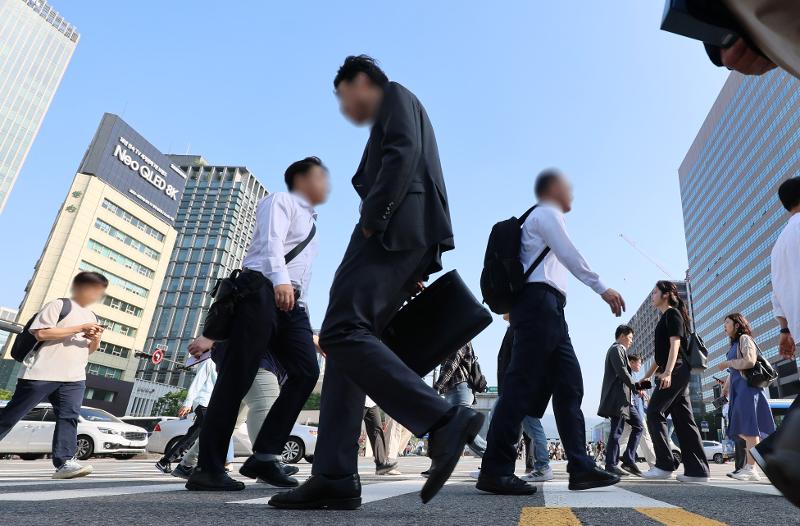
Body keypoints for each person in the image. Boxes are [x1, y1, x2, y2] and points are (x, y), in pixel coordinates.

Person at [269, 55, 479, 510]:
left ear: (363, 81)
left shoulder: (395, 95)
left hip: (391, 229)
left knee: (341, 329)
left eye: (345, 97)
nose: (346, 110)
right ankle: (335, 474)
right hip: (405, 236)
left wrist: (373, 218)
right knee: (347, 349)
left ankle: (442, 420)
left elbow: (402, 154)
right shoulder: (399, 103)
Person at [478, 169, 626, 495]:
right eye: (567, 189)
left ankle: (581, 466)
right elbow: (568, 253)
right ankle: (495, 469)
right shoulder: (547, 213)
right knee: (519, 387)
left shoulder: (543, 217)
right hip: (537, 305)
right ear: (552, 190)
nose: (571, 194)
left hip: (552, 310)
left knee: (569, 385)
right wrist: (603, 288)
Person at [185, 157, 328, 491]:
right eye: (320, 177)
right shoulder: (281, 200)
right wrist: (279, 280)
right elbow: (271, 242)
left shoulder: (314, 225)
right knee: (237, 378)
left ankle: (264, 455)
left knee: (307, 371)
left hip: (292, 304)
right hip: (261, 290)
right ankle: (208, 468)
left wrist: (299, 304)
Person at [0, 271, 107, 479]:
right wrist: (79, 328)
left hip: (75, 376)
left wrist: (94, 337)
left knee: (69, 417)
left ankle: (65, 462)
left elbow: (90, 349)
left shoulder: (94, 317)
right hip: (42, 372)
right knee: (12, 415)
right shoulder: (59, 305)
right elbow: (41, 333)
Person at [751, 177, 800, 507]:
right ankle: (778, 450)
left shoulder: (779, 242)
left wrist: (785, 331)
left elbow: (776, 295)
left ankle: (775, 450)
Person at [641, 281, 709, 482]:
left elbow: (675, 344)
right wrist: (647, 376)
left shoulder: (672, 314)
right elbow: (659, 354)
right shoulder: (664, 317)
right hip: (674, 370)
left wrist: (668, 372)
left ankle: (664, 465)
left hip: (677, 370)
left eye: (655, 292)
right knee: (684, 420)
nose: (652, 295)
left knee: (654, 412)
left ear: (665, 295)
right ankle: (697, 471)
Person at [715, 313, 776, 481]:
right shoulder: (735, 343)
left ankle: (751, 468)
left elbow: (749, 361)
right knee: (742, 429)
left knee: (749, 429)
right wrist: (725, 389)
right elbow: (734, 371)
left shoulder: (745, 339)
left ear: (737, 324)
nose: (724, 326)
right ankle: (761, 459)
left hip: (748, 389)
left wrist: (727, 363)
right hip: (739, 390)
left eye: (727, 322)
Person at [156, 357, 219, 474]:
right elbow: (197, 383)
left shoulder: (227, 363)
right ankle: (202, 466)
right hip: (203, 402)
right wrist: (187, 403)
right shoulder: (210, 361)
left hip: (211, 405)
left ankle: (165, 461)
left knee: (192, 436)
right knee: (211, 433)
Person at [598, 326, 645, 477]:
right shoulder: (616, 349)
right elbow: (622, 372)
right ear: (623, 336)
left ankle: (628, 459)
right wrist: (636, 387)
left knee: (638, 426)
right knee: (616, 431)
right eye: (630, 338)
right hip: (618, 399)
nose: (631, 341)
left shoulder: (620, 350)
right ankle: (611, 465)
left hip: (625, 400)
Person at [433, 342, 488, 458]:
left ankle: (494, 457)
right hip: (452, 390)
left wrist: (437, 386)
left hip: (460, 388)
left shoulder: (462, 337)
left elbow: (452, 364)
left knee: (465, 428)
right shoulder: (454, 337)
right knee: (450, 429)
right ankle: (439, 463)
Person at [619, 360, 657, 470]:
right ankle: (654, 465)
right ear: (631, 362)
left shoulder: (632, 375)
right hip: (634, 413)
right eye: (639, 363)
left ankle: (609, 461)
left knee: (621, 440)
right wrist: (639, 389)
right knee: (645, 438)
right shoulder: (628, 375)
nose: (640, 365)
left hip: (630, 412)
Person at [362, 397, 397, 475]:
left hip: (371, 403)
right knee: (351, 430)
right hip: (357, 400)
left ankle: (381, 465)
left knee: (377, 431)